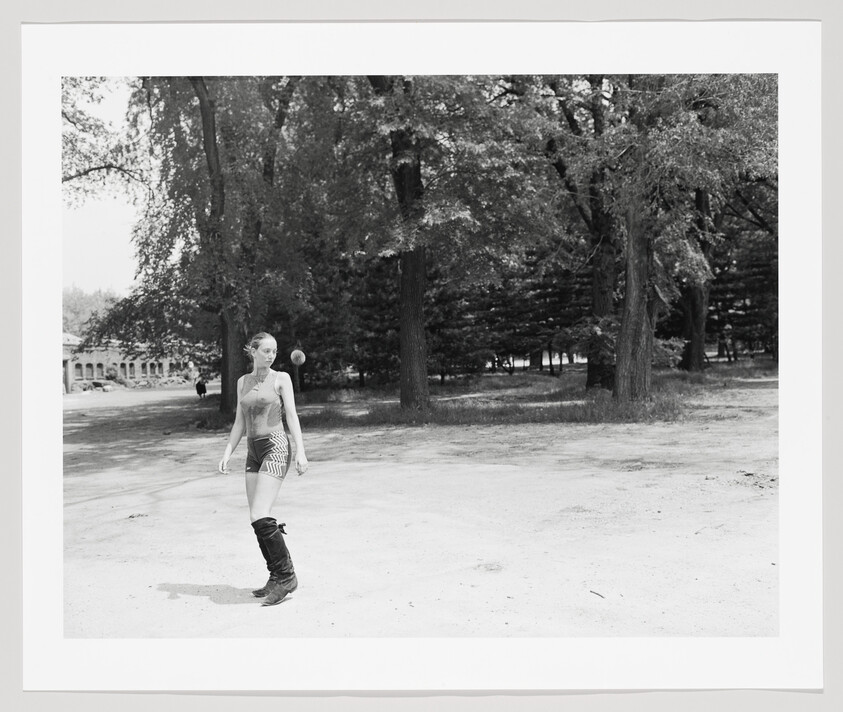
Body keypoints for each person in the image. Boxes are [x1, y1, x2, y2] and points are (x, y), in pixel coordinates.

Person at [218, 332, 309, 606]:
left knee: (260, 514)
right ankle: (275, 575)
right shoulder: (242, 382)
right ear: (253, 351)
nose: (271, 355)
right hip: (253, 451)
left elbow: (291, 415)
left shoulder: (281, 378)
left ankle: (286, 576)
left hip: (275, 445)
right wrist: (226, 452)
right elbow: (239, 422)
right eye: (266, 350)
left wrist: (301, 451)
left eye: (274, 351)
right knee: (257, 517)